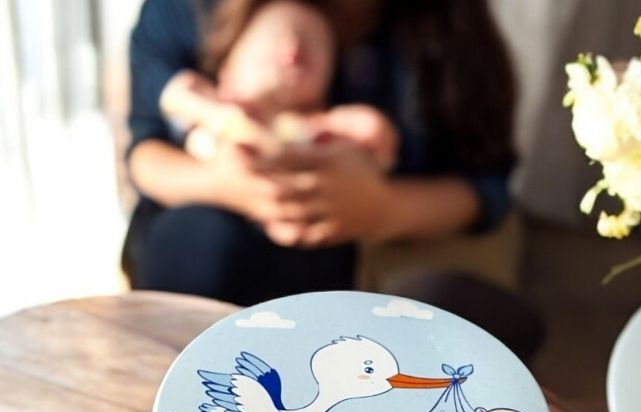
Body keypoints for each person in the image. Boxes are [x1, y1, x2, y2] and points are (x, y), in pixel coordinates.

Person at [124, 0, 516, 307]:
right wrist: (223, 181)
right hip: (197, 235)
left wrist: (381, 208)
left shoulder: (451, 37)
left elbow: (488, 188)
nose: (293, 54)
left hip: (338, 250)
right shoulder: (189, 13)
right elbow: (145, 149)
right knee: (203, 240)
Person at [158, 1, 398, 170]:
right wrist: (222, 116)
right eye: (280, 37)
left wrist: (357, 126)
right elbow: (177, 95)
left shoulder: (318, 126)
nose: (294, 48)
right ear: (227, 67)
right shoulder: (217, 108)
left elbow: (377, 139)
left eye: (313, 49)